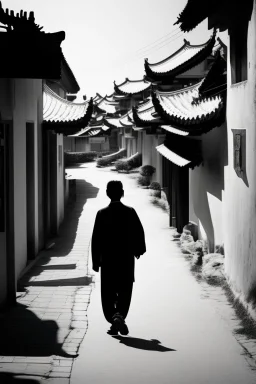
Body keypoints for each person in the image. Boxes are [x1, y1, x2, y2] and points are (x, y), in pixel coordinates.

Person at [91, 180, 146, 335]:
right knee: (125, 290)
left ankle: (113, 318)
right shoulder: (130, 212)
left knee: (108, 292)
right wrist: (138, 250)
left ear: (108, 193)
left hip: (108, 261)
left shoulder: (102, 213)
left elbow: (96, 239)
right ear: (122, 193)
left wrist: (96, 262)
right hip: (125, 260)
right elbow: (139, 232)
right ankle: (120, 316)